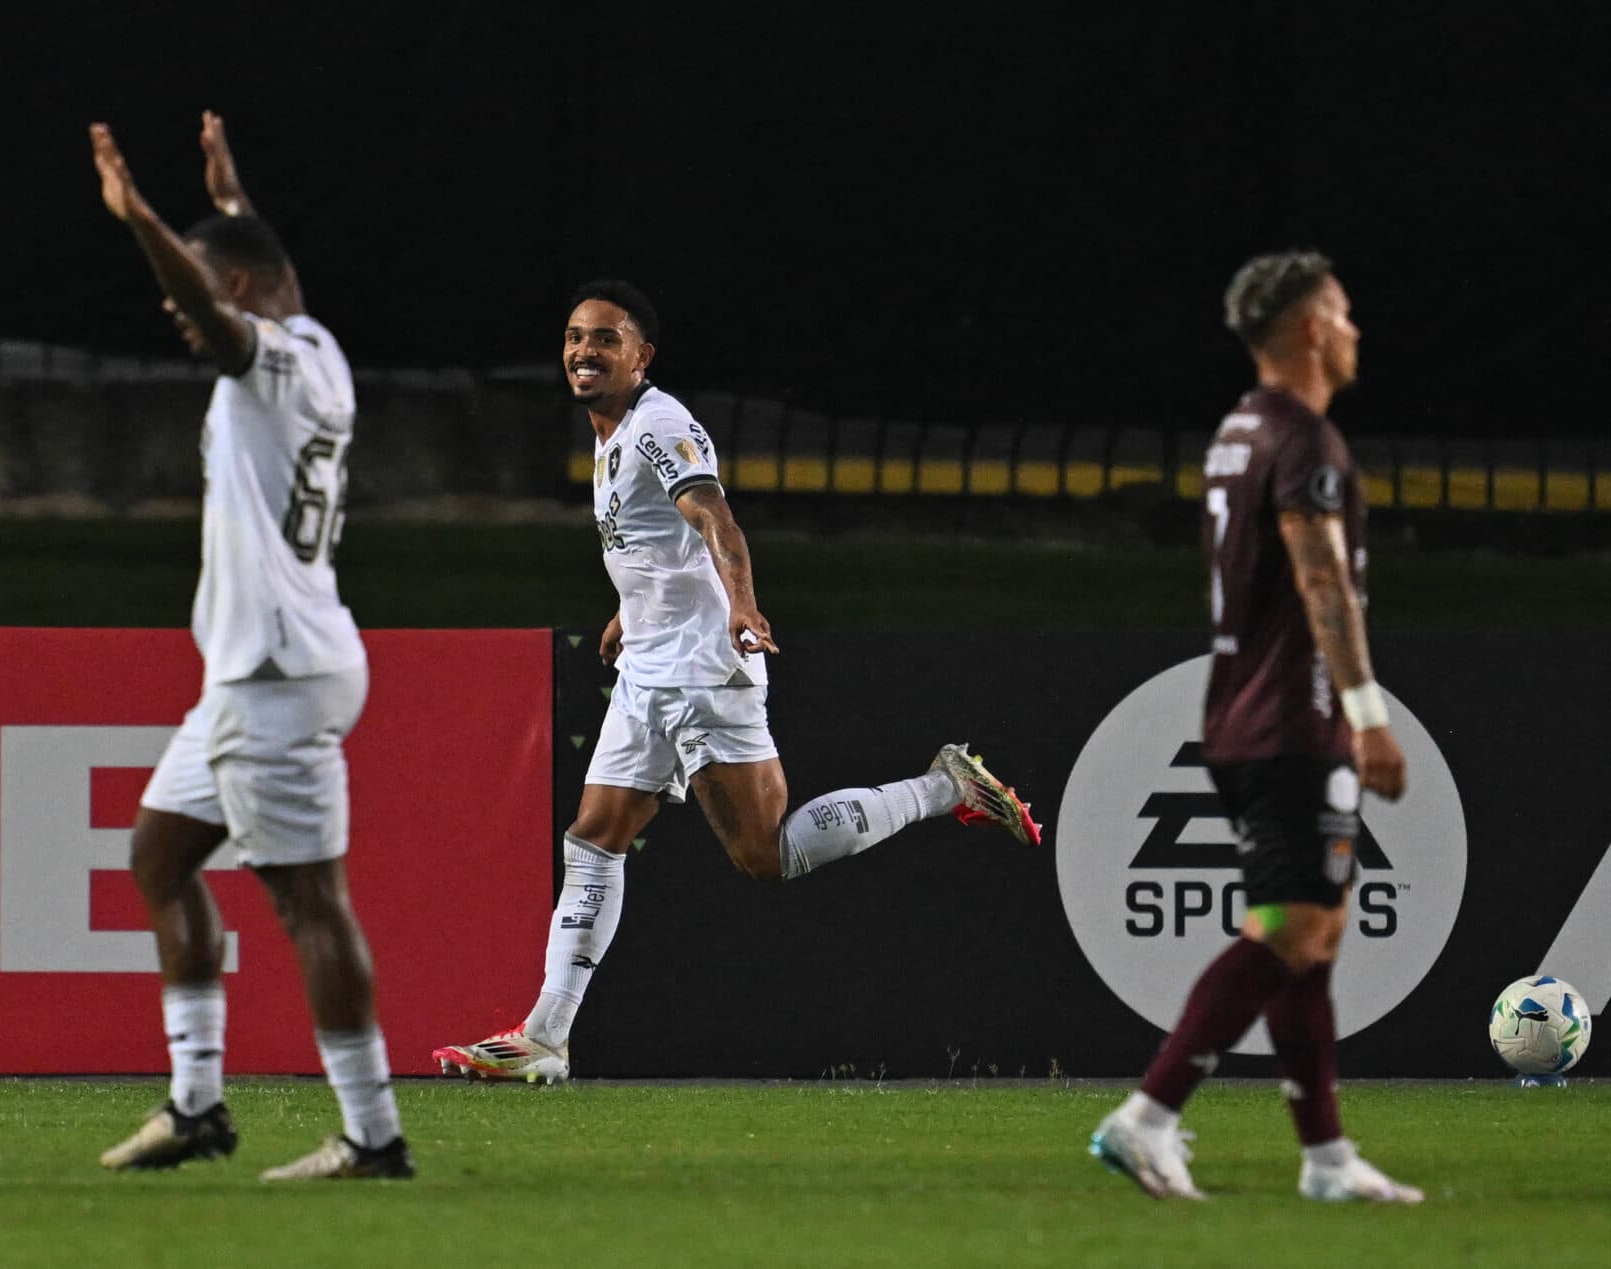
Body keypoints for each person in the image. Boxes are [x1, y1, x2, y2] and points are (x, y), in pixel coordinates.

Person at [432, 280, 1039, 1083]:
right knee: (593, 839)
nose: (584, 350)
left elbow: (713, 515)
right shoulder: (611, 434)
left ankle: (940, 785)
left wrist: (743, 603)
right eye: (576, 336)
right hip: (651, 663)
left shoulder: (660, 424)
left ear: (640, 355)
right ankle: (545, 1037)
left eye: (605, 339)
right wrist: (629, 609)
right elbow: (657, 547)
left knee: (768, 853)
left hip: (702, 671)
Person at [89, 112, 412, 1181]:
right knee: (159, 855)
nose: (180, 318)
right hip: (261, 674)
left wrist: (142, 220)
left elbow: (221, 318)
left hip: (276, 677)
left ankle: (372, 1134)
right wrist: (231, 206)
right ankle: (195, 1108)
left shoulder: (265, 362)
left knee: (307, 900)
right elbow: (263, 279)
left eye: (195, 288)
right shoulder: (322, 349)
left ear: (226, 288)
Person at [1090, 251, 1421, 1204]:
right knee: (1291, 930)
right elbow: (1321, 581)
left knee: (1313, 941)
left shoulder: (1239, 429)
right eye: (1346, 312)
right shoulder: (1306, 439)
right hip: (1292, 722)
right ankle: (1146, 1116)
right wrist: (1368, 715)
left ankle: (1326, 1159)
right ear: (1313, 325)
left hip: (1239, 711)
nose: (1356, 330)